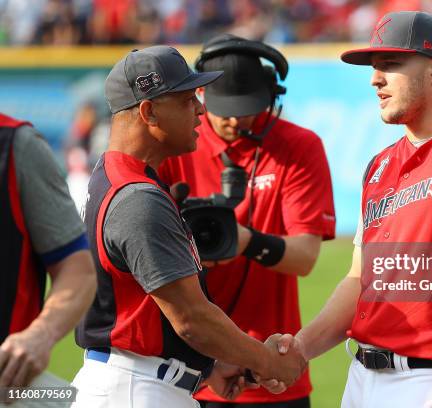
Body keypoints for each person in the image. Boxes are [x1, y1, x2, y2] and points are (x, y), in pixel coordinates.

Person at [276, 11, 432, 408]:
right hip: (360, 379)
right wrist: (301, 349)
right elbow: (360, 280)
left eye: (390, 65)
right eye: (374, 68)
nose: (375, 79)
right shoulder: (380, 164)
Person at [70, 45, 306, 408]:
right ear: (148, 111)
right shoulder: (137, 197)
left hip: (138, 379)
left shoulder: (114, 176)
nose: (200, 108)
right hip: (136, 389)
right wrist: (268, 361)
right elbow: (193, 319)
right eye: (185, 99)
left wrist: (207, 366)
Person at [158, 34, 336, 408]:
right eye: (225, 108)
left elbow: (304, 257)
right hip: (184, 370)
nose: (236, 119)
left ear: (273, 96)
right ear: (200, 96)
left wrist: (244, 241)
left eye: (247, 107)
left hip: (271, 370)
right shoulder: (175, 145)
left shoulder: (300, 146)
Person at [0, 113, 97, 405]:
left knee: (67, 400)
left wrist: (40, 335)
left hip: (7, 385)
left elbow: (79, 270)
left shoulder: (15, 145)